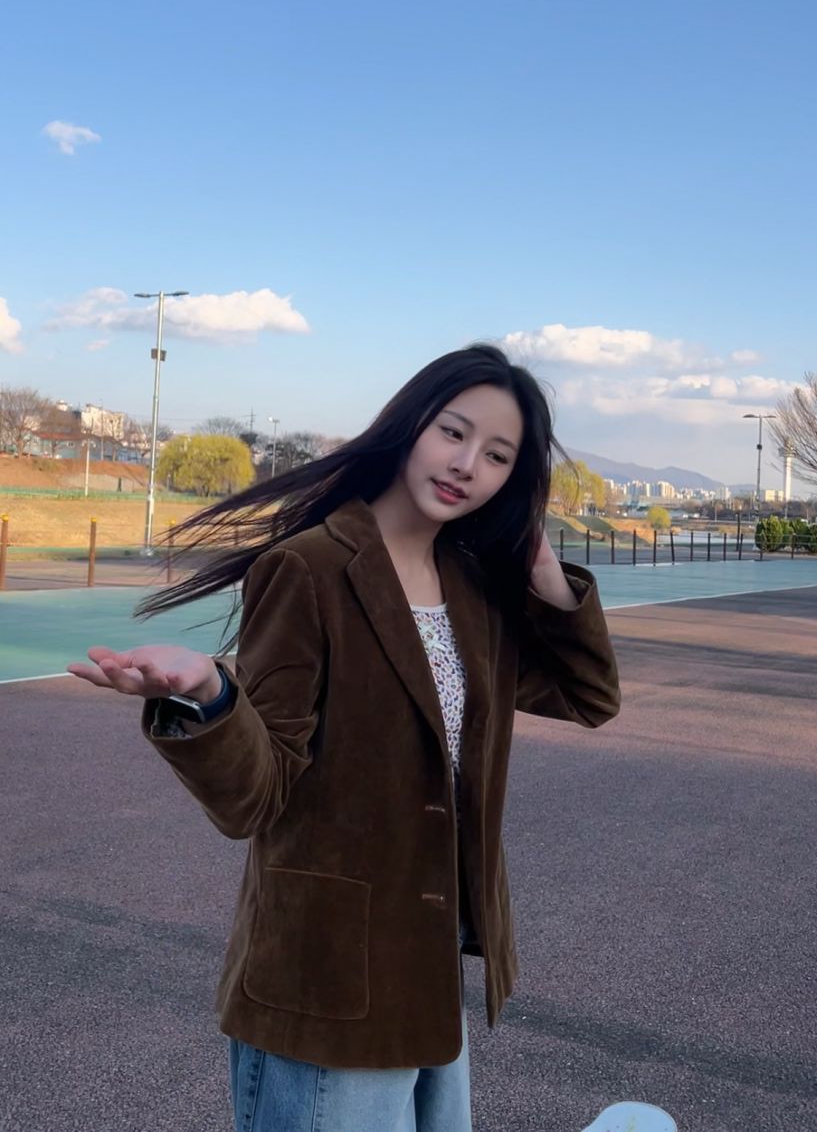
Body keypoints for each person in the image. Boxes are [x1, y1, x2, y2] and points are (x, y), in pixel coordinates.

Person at [68, 344, 621, 1132]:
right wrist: (211, 695)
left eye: (498, 456)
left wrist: (546, 577)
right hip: (323, 983)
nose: (467, 465)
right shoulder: (310, 568)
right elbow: (258, 796)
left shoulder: (472, 586)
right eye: (453, 432)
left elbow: (588, 696)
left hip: (428, 974)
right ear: (410, 426)